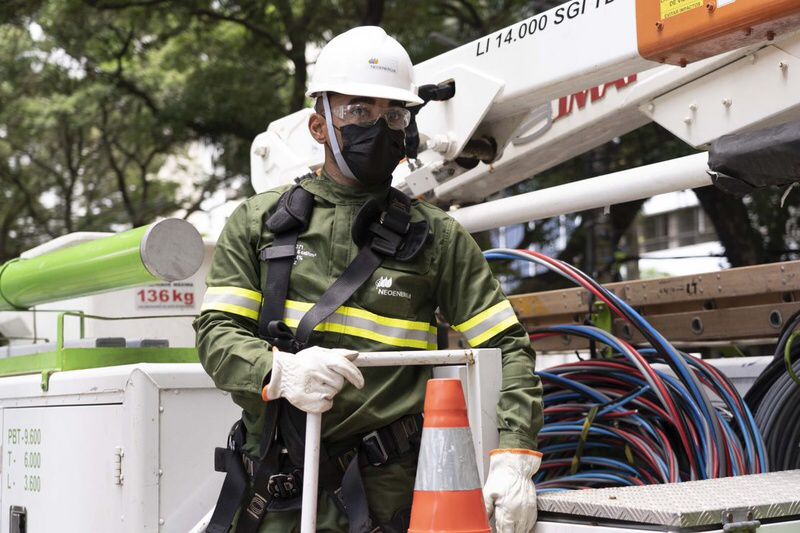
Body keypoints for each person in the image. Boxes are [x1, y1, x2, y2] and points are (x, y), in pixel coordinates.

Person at [195, 25, 543, 533]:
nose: (378, 127)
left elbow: (507, 345)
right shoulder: (258, 222)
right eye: (357, 111)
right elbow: (216, 334)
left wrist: (513, 457)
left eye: (393, 114)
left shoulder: (436, 237)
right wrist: (278, 372)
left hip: (386, 503)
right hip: (275, 497)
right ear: (319, 127)